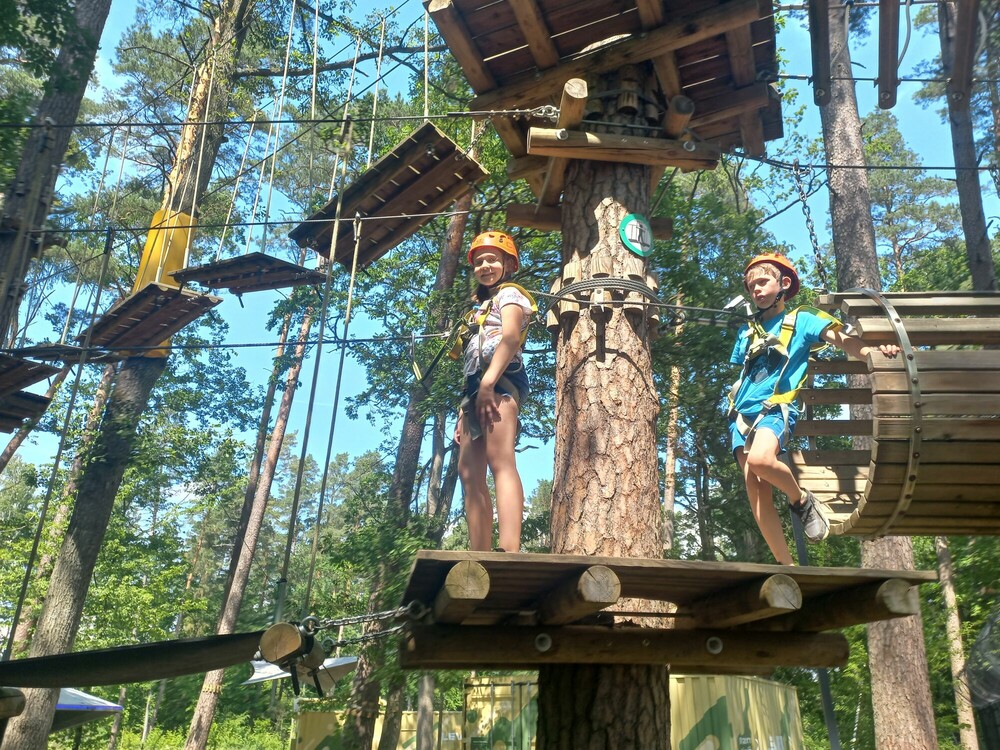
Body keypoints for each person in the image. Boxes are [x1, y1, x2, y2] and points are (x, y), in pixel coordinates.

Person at [727, 253, 899, 565]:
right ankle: (787, 567)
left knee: (762, 460)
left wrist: (873, 352)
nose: (756, 290)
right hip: (741, 415)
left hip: (775, 408)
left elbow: (843, 340)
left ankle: (802, 500)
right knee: (756, 491)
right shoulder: (747, 331)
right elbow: (745, 371)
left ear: (784, 284)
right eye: (752, 287)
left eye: (762, 282)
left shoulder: (803, 318)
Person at [453, 231, 535, 553]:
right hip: (474, 388)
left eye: (492, 260)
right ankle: (479, 553)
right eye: (479, 262)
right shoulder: (477, 310)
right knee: (468, 472)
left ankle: (509, 549)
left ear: (509, 265)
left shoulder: (510, 295)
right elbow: (470, 361)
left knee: (500, 460)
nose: (485, 266)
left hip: (500, 382)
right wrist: (462, 412)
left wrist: (488, 384)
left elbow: (511, 338)